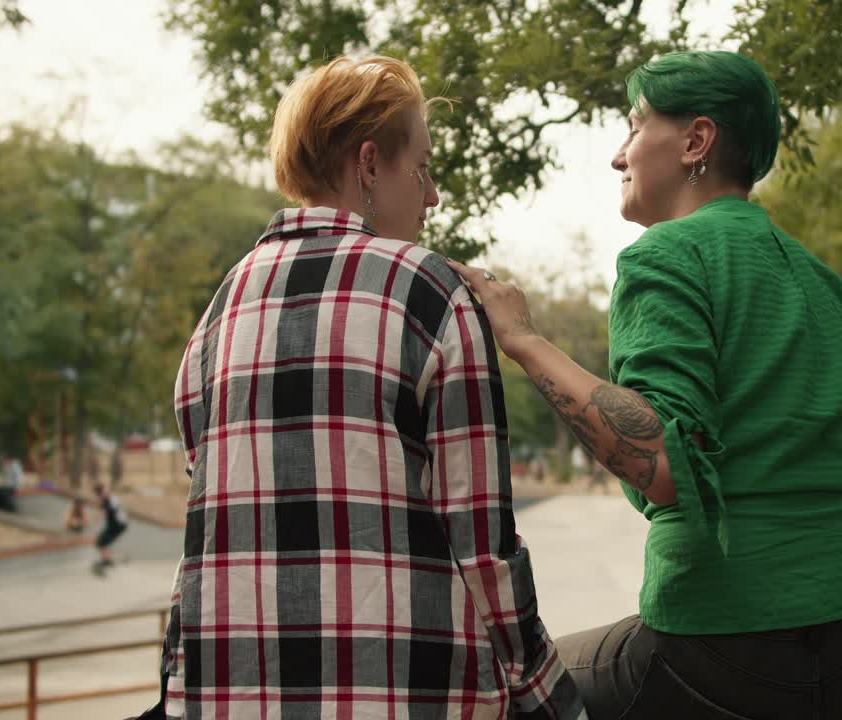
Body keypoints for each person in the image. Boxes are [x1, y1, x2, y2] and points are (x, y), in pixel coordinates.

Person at [451, 50, 842, 719]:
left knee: (514, 692)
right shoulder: (828, 288)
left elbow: (662, 463)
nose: (618, 157)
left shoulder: (665, 255)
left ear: (696, 141)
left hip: (723, 658)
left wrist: (524, 340)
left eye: (633, 126)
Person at [137, 55, 583, 720]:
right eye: (423, 167)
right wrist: (553, 701)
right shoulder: (432, 294)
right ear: (370, 163)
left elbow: (206, 544)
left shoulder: (219, 313)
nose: (432, 195)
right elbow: (483, 551)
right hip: (411, 694)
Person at [91, 483, 128, 576]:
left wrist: (92, 520)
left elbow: (103, 513)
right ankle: (108, 560)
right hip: (119, 525)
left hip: (116, 525)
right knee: (102, 542)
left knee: (100, 542)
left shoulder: (106, 500)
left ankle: (107, 561)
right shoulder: (110, 498)